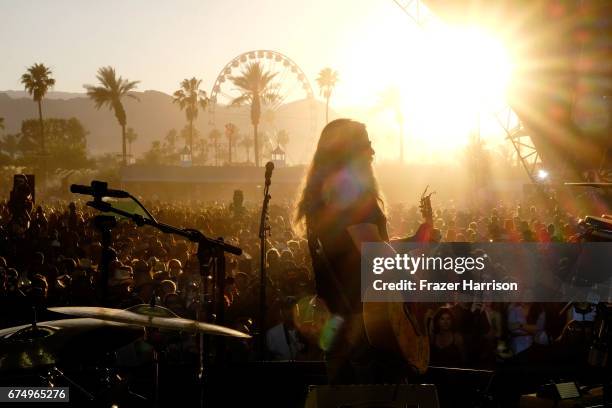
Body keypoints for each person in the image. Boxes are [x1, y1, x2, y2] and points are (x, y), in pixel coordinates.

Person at [294, 118, 406, 384]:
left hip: (336, 322)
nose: (372, 152)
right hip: (366, 324)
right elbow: (375, 254)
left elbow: (354, 248)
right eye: (366, 144)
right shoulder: (351, 192)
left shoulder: (323, 197)